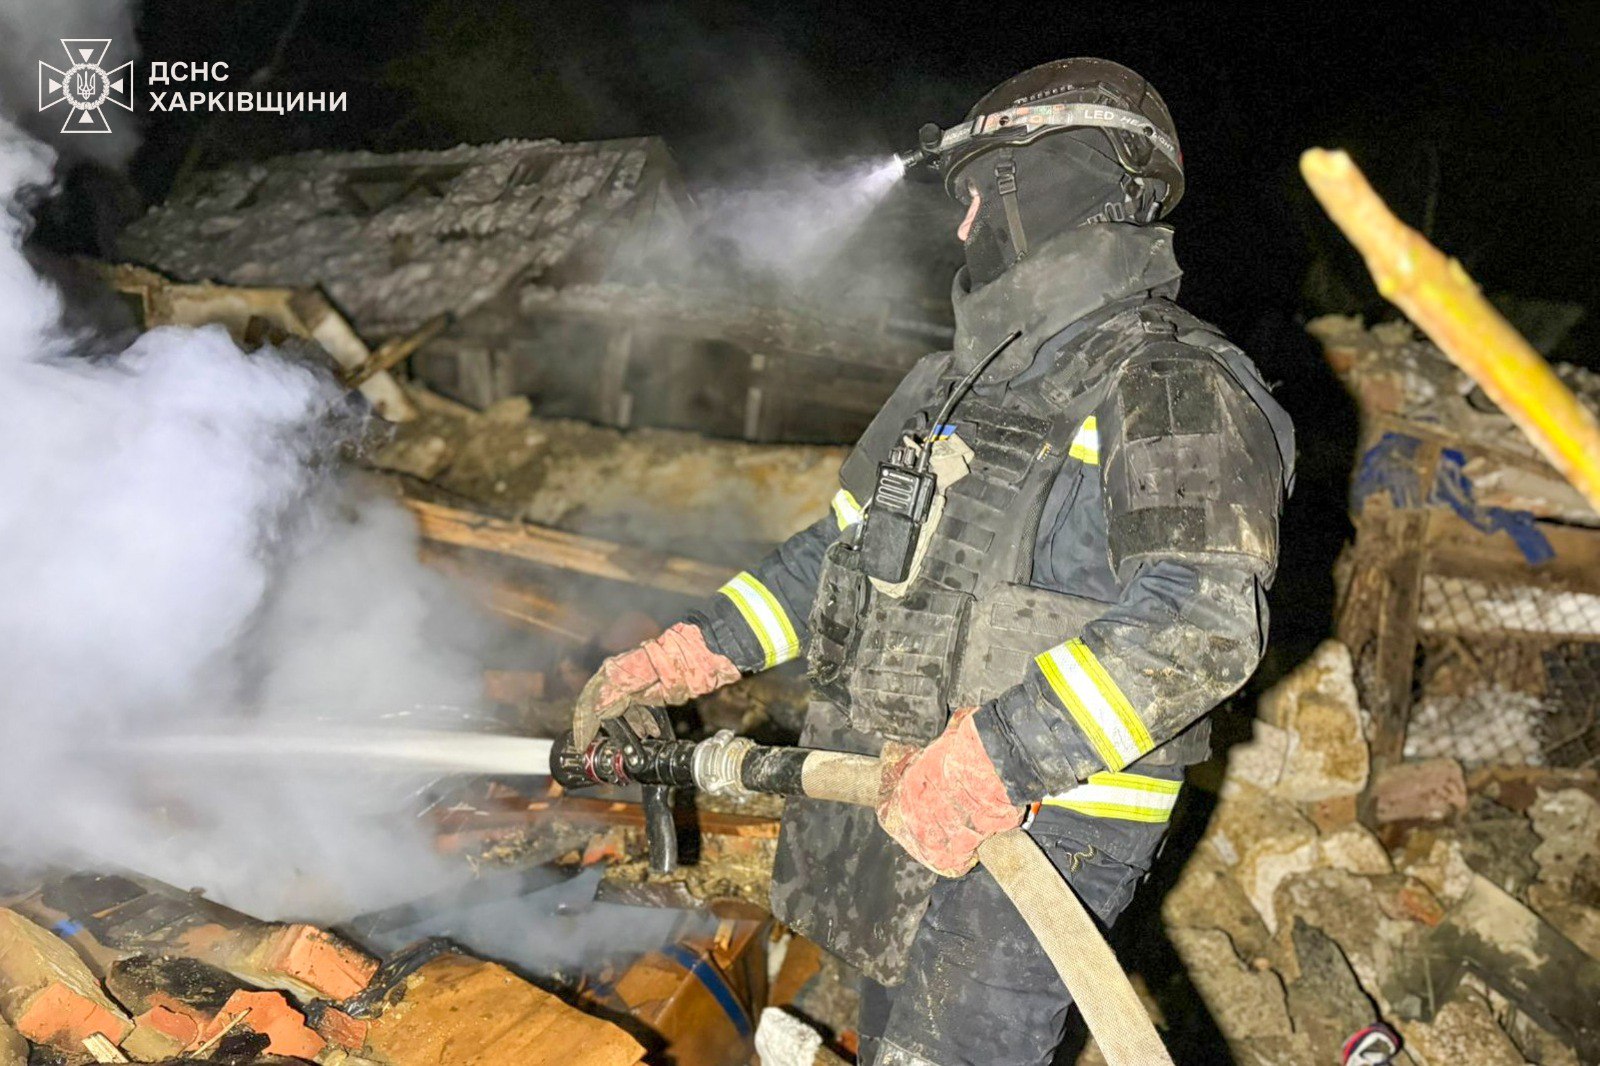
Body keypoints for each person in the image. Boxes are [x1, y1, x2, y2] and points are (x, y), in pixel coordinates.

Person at [573, 57, 1295, 1066]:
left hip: (1050, 816)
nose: (961, 231)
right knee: (879, 1034)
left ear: (1048, 184)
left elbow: (1200, 626)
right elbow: (840, 551)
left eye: (975, 197)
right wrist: (694, 650)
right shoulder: (940, 388)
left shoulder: (1173, 381)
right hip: (899, 782)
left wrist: (1003, 755)